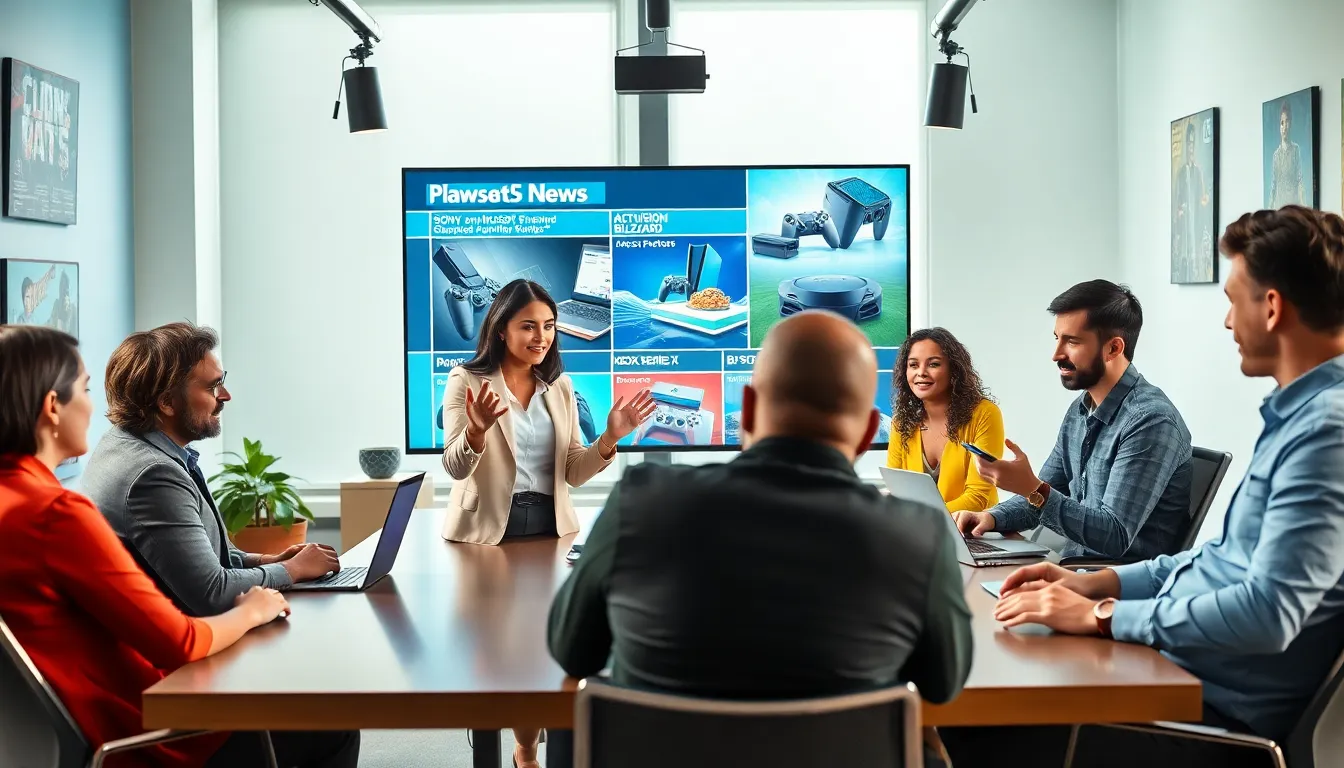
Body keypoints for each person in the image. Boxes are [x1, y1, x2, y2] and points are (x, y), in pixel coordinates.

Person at [945, 206, 1344, 767]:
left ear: (1272, 307)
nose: (1227, 321)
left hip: (1209, 713)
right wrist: (1093, 585)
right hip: (1176, 673)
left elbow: (1268, 613)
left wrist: (1104, 615)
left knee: (966, 727)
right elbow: (1213, 561)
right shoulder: (1298, 419)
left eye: (1233, 300)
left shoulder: (1325, 432)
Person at [548, 310, 973, 768]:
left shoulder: (640, 500)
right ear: (870, 430)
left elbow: (571, 648)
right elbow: (943, 682)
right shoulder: (918, 534)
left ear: (748, 408)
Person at [0, 325, 359, 768]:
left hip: (69, 734)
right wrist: (254, 608)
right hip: (151, 731)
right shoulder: (55, 513)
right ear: (53, 407)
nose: (93, 407)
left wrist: (267, 563)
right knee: (333, 721)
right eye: (85, 389)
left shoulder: (28, 495)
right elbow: (182, 641)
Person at [439, 279, 656, 767]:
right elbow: (454, 466)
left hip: (549, 530)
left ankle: (526, 748)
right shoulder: (466, 380)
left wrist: (609, 439)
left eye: (549, 326)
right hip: (488, 535)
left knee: (545, 648)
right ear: (500, 330)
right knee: (499, 650)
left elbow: (573, 472)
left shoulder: (559, 386)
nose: (541, 337)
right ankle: (513, 748)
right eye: (528, 326)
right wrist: (476, 432)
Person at [82, 322, 341, 617]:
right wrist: (292, 569)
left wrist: (268, 560)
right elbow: (212, 591)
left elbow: (203, 561)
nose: (225, 395)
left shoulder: (122, 443)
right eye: (212, 387)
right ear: (166, 402)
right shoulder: (153, 476)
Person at [953, 280, 1193, 560]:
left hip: (1116, 578)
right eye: (1057, 338)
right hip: (1073, 566)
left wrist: (1032, 488)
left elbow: (1114, 537)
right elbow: (1043, 495)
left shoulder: (1150, 421)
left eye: (1072, 342)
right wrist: (991, 517)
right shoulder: (1081, 409)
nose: (1056, 354)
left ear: (1113, 349)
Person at [886, 327, 1004, 512]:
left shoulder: (985, 414)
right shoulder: (901, 422)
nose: (921, 372)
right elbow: (897, 490)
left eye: (933, 364)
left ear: (953, 370)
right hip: (917, 526)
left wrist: (922, 519)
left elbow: (978, 497)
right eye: (913, 365)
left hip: (972, 527)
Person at [1268, 99, 1305, 209]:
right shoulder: (1276, 155)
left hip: (1292, 208)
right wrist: (1268, 210)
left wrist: (1304, 207)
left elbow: (1300, 181)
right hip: (1279, 208)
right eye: (1282, 123)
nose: (1284, 127)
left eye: (1287, 122)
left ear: (1291, 123)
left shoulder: (1295, 150)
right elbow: (1273, 186)